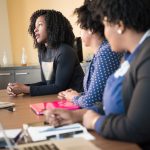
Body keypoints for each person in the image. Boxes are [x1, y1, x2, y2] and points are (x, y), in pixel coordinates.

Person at [44, 0, 150, 148]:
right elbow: (115, 106)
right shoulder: (130, 55)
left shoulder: (146, 58)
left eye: (105, 24)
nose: (104, 32)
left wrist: (95, 121)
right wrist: (77, 115)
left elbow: (137, 128)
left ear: (119, 25)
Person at [58, 3, 122, 108]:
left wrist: (73, 98)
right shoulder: (100, 52)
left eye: (81, 28)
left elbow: (91, 102)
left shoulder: (106, 52)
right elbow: (98, 95)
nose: (80, 33)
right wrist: (77, 95)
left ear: (91, 29)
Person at [7, 9, 84, 96]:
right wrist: (20, 88)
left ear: (52, 27)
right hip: (58, 98)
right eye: (34, 26)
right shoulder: (42, 51)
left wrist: (25, 89)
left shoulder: (65, 51)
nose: (35, 30)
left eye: (40, 25)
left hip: (77, 100)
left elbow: (59, 87)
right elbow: (47, 84)